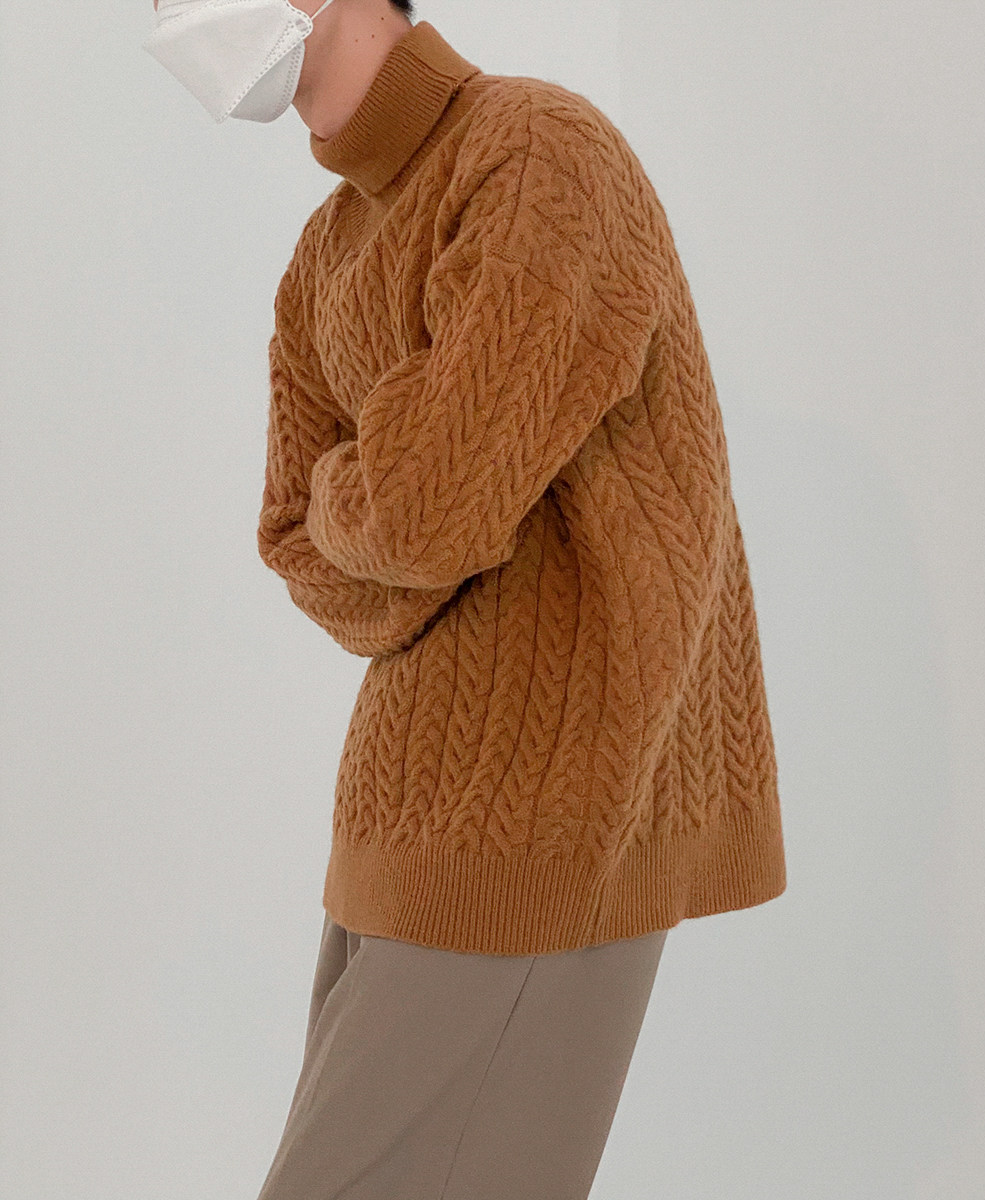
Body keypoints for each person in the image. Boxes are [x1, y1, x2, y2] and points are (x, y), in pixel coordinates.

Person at [143, 2, 788, 1196]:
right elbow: (296, 543)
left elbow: (427, 510)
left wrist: (379, 498)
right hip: (396, 820)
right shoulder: (326, 253)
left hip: (548, 813)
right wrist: (390, 502)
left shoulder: (536, 151)